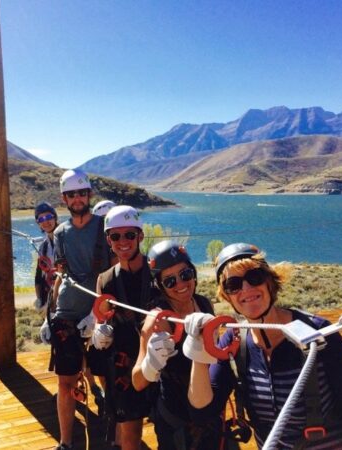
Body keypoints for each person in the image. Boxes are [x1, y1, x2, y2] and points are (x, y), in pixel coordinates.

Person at [186, 243, 342, 449]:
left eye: (254, 277)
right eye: (233, 285)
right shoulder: (234, 341)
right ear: (227, 296)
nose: (246, 289)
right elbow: (202, 411)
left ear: (270, 281)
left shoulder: (318, 334)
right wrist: (198, 350)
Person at [131, 240, 218, 450]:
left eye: (185, 274)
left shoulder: (204, 304)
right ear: (160, 286)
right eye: (170, 281)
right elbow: (137, 382)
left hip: (208, 409)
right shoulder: (157, 320)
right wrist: (150, 365)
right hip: (176, 418)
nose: (180, 284)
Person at [50, 169, 113, 450]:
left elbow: (115, 272)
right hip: (66, 312)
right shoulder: (61, 233)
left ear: (89, 195)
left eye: (81, 193)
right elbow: (61, 274)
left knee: (109, 377)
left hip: (100, 312)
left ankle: (115, 436)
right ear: (65, 199)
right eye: (71, 194)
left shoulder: (104, 227)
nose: (77, 199)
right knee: (65, 381)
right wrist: (49, 312)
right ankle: (66, 443)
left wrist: (98, 313)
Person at [92, 205, 154, 450]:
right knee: (129, 436)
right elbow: (101, 318)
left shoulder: (158, 272)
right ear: (109, 240)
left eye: (129, 234)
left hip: (160, 360)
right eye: (115, 236)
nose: (123, 241)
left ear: (140, 236)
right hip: (124, 365)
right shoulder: (105, 280)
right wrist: (99, 333)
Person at [33, 201, 58, 319]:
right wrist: (39, 299)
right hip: (50, 297)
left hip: (69, 297)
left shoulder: (68, 238)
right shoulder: (43, 247)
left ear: (55, 217)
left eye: (48, 217)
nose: (45, 221)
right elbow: (39, 277)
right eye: (41, 219)